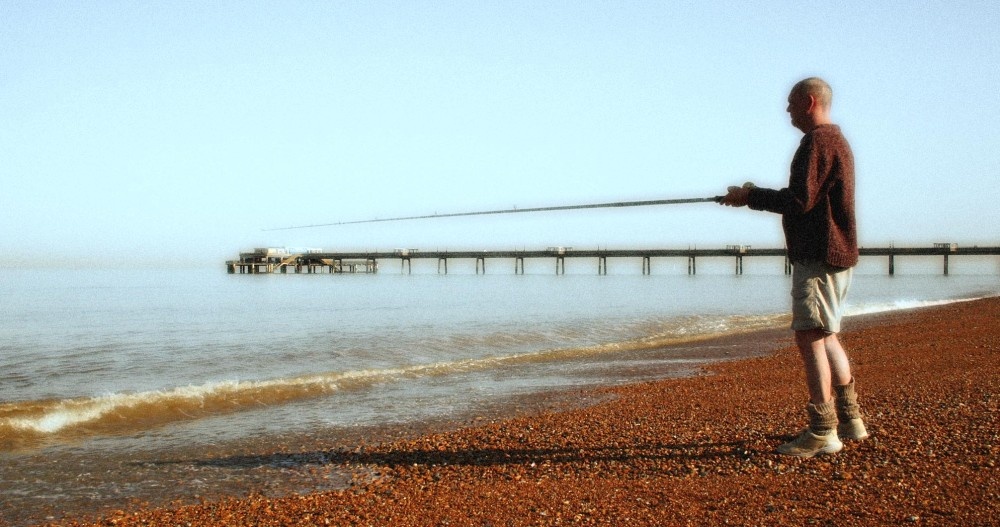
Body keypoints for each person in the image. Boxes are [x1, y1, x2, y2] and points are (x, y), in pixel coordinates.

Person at [720, 77, 868, 457]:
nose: (786, 109)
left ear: (808, 101)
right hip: (835, 253)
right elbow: (807, 198)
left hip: (819, 255)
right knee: (826, 333)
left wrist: (748, 197)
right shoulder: (835, 140)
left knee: (810, 335)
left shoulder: (818, 142)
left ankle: (823, 430)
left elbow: (800, 200)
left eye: (790, 103)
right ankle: (851, 421)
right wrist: (751, 195)